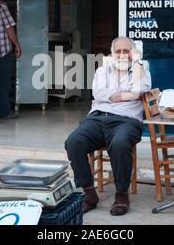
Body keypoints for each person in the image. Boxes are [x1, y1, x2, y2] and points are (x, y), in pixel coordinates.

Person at [65, 37, 151, 216]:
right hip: (97, 119)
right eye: (118, 51)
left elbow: (141, 90)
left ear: (132, 53)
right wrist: (125, 95)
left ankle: (121, 195)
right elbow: (98, 93)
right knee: (73, 141)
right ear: (112, 54)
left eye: (126, 51)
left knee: (119, 143)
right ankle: (89, 194)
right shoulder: (102, 71)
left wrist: (114, 95)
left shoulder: (140, 70)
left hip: (126, 121)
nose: (122, 55)